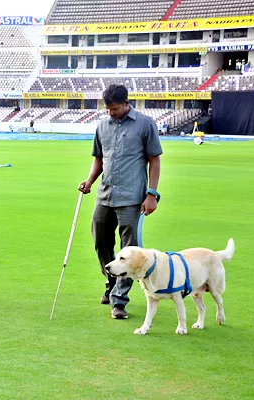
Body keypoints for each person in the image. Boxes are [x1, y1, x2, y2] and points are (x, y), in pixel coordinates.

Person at [78, 84, 162, 319]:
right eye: (107, 109)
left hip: (132, 197)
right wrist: (89, 181)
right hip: (105, 195)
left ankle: (119, 300)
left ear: (126, 103)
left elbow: (154, 160)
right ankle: (111, 283)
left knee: (130, 250)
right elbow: (99, 158)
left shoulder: (145, 124)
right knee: (100, 242)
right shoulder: (103, 125)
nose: (110, 113)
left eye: (114, 108)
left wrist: (152, 193)